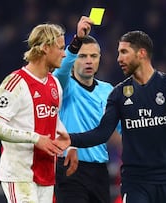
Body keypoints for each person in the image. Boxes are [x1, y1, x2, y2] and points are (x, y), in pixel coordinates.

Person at [56, 30, 166, 203]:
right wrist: (71, 139)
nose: (119, 58)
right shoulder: (118, 94)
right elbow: (102, 133)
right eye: (119, 53)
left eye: (124, 52)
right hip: (135, 182)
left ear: (142, 53)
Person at [0, 17, 92, 203]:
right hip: (20, 174)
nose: (64, 54)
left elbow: (53, 119)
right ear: (45, 48)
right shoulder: (15, 83)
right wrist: (35, 138)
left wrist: (70, 143)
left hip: (46, 174)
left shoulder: (54, 84)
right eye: (60, 48)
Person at [52, 34, 120, 203]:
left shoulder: (108, 90)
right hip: (69, 168)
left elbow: (122, 128)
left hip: (99, 170)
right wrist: (75, 43)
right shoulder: (63, 86)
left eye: (93, 56)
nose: (88, 61)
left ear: (99, 59)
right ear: (74, 59)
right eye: (82, 56)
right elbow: (61, 71)